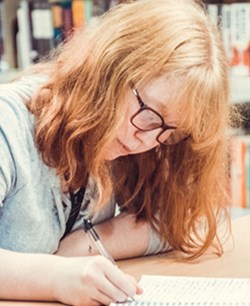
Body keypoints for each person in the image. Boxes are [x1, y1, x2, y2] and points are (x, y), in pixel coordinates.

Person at [0, 0, 234, 305]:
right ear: (112, 66)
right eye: (149, 115)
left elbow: (183, 217)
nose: (146, 140)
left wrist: (86, 244)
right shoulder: (9, 121)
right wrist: (56, 276)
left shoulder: (131, 138)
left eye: (170, 133)